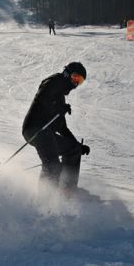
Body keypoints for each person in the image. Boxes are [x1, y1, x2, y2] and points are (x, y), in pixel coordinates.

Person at [22, 62, 89, 194]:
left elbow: (62, 128)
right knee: (53, 166)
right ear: (67, 74)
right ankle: (45, 199)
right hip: (35, 130)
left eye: (79, 81)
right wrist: (56, 108)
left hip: (47, 135)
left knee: (73, 150)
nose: (75, 83)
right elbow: (41, 98)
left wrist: (77, 145)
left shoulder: (61, 98)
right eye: (75, 77)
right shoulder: (53, 81)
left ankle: (67, 191)